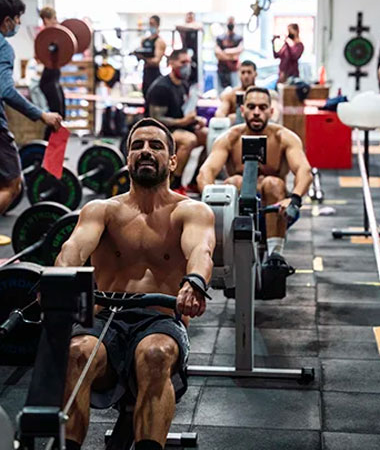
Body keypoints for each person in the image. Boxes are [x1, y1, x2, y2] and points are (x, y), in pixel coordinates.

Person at [55, 118, 216, 450]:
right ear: (127, 158)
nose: (145, 151)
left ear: (172, 160)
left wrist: (195, 283)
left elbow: (201, 250)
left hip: (159, 319)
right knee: (76, 353)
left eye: (155, 146)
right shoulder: (101, 210)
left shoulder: (191, 211)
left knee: (156, 354)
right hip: (102, 321)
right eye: (137, 146)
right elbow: (73, 247)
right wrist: (60, 278)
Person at [197, 86, 312, 271]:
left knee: (272, 183)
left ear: (271, 111)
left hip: (276, 209)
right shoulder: (230, 137)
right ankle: (231, 248)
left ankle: (275, 256)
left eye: (262, 107)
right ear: (242, 110)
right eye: (251, 107)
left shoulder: (284, 137)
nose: (256, 112)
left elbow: (304, 171)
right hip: (238, 210)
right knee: (234, 182)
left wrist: (295, 199)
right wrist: (211, 204)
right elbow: (206, 172)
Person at [0, 0, 62, 215]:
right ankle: (50, 168)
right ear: (7, 21)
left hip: (55, 89)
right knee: (12, 185)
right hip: (47, 91)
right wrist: (42, 115)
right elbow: (5, 90)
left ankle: (52, 167)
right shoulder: (4, 47)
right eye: (17, 19)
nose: (18, 24)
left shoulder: (55, 40)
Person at [145, 49, 208, 194]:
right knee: (189, 140)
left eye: (188, 62)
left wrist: (195, 120)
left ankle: (194, 181)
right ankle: (175, 184)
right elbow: (155, 119)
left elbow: (182, 111)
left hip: (177, 126)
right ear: (172, 63)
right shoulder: (161, 87)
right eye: (183, 62)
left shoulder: (183, 84)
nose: (187, 66)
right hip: (158, 130)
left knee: (209, 137)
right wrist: (182, 122)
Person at [38, 6, 66, 120]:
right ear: (46, 20)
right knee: (56, 115)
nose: (56, 21)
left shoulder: (55, 37)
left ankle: (53, 138)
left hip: (54, 79)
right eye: (54, 18)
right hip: (48, 80)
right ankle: (48, 138)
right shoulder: (45, 37)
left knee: (61, 113)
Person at [137, 15, 166, 99]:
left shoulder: (159, 41)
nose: (150, 26)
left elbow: (156, 60)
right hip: (145, 72)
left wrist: (143, 58)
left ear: (158, 25)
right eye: (149, 24)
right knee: (145, 97)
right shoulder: (144, 40)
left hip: (154, 73)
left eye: (152, 24)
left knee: (153, 98)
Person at [215, 16, 243, 93]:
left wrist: (226, 51)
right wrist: (232, 56)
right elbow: (217, 53)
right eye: (229, 22)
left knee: (235, 93)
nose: (230, 24)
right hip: (221, 70)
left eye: (232, 22)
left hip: (233, 70)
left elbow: (239, 51)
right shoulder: (220, 38)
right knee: (220, 94)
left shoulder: (238, 38)